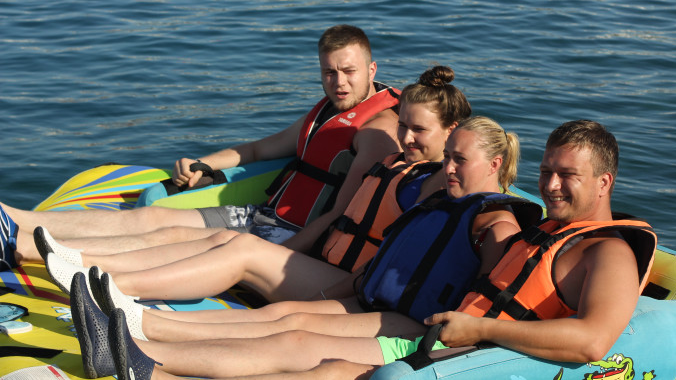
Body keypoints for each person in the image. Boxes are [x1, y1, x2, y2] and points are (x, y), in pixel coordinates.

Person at [95, 120, 655, 380]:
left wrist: (480, 328)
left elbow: (592, 341)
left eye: (567, 176)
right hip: (447, 338)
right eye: (547, 171)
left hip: (473, 352)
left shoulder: (608, 253)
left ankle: (150, 365)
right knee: (297, 338)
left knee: (322, 362)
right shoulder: (547, 233)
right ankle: (140, 345)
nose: (551, 185)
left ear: (604, 182)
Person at [44, 66, 472, 320]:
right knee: (222, 240)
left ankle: (108, 290)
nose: (406, 137)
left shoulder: (443, 188)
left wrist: (317, 286)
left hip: (349, 288)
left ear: (451, 131)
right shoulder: (397, 164)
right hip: (325, 265)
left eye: (418, 130)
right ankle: (80, 263)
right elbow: (341, 218)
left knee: (243, 252)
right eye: (402, 125)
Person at [0, 25, 402, 269]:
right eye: (329, 72)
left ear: (371, 69)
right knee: (151, 218)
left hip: (293, 238)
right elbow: (259, 150)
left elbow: (338, 214)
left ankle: (28, 251)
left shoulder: (375, 130)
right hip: (262, 216)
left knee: (170, 239)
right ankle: (15, 219)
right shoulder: (328, 112)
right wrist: (203, 164)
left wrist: (283, 256)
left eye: (349, 71)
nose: (339, 82)